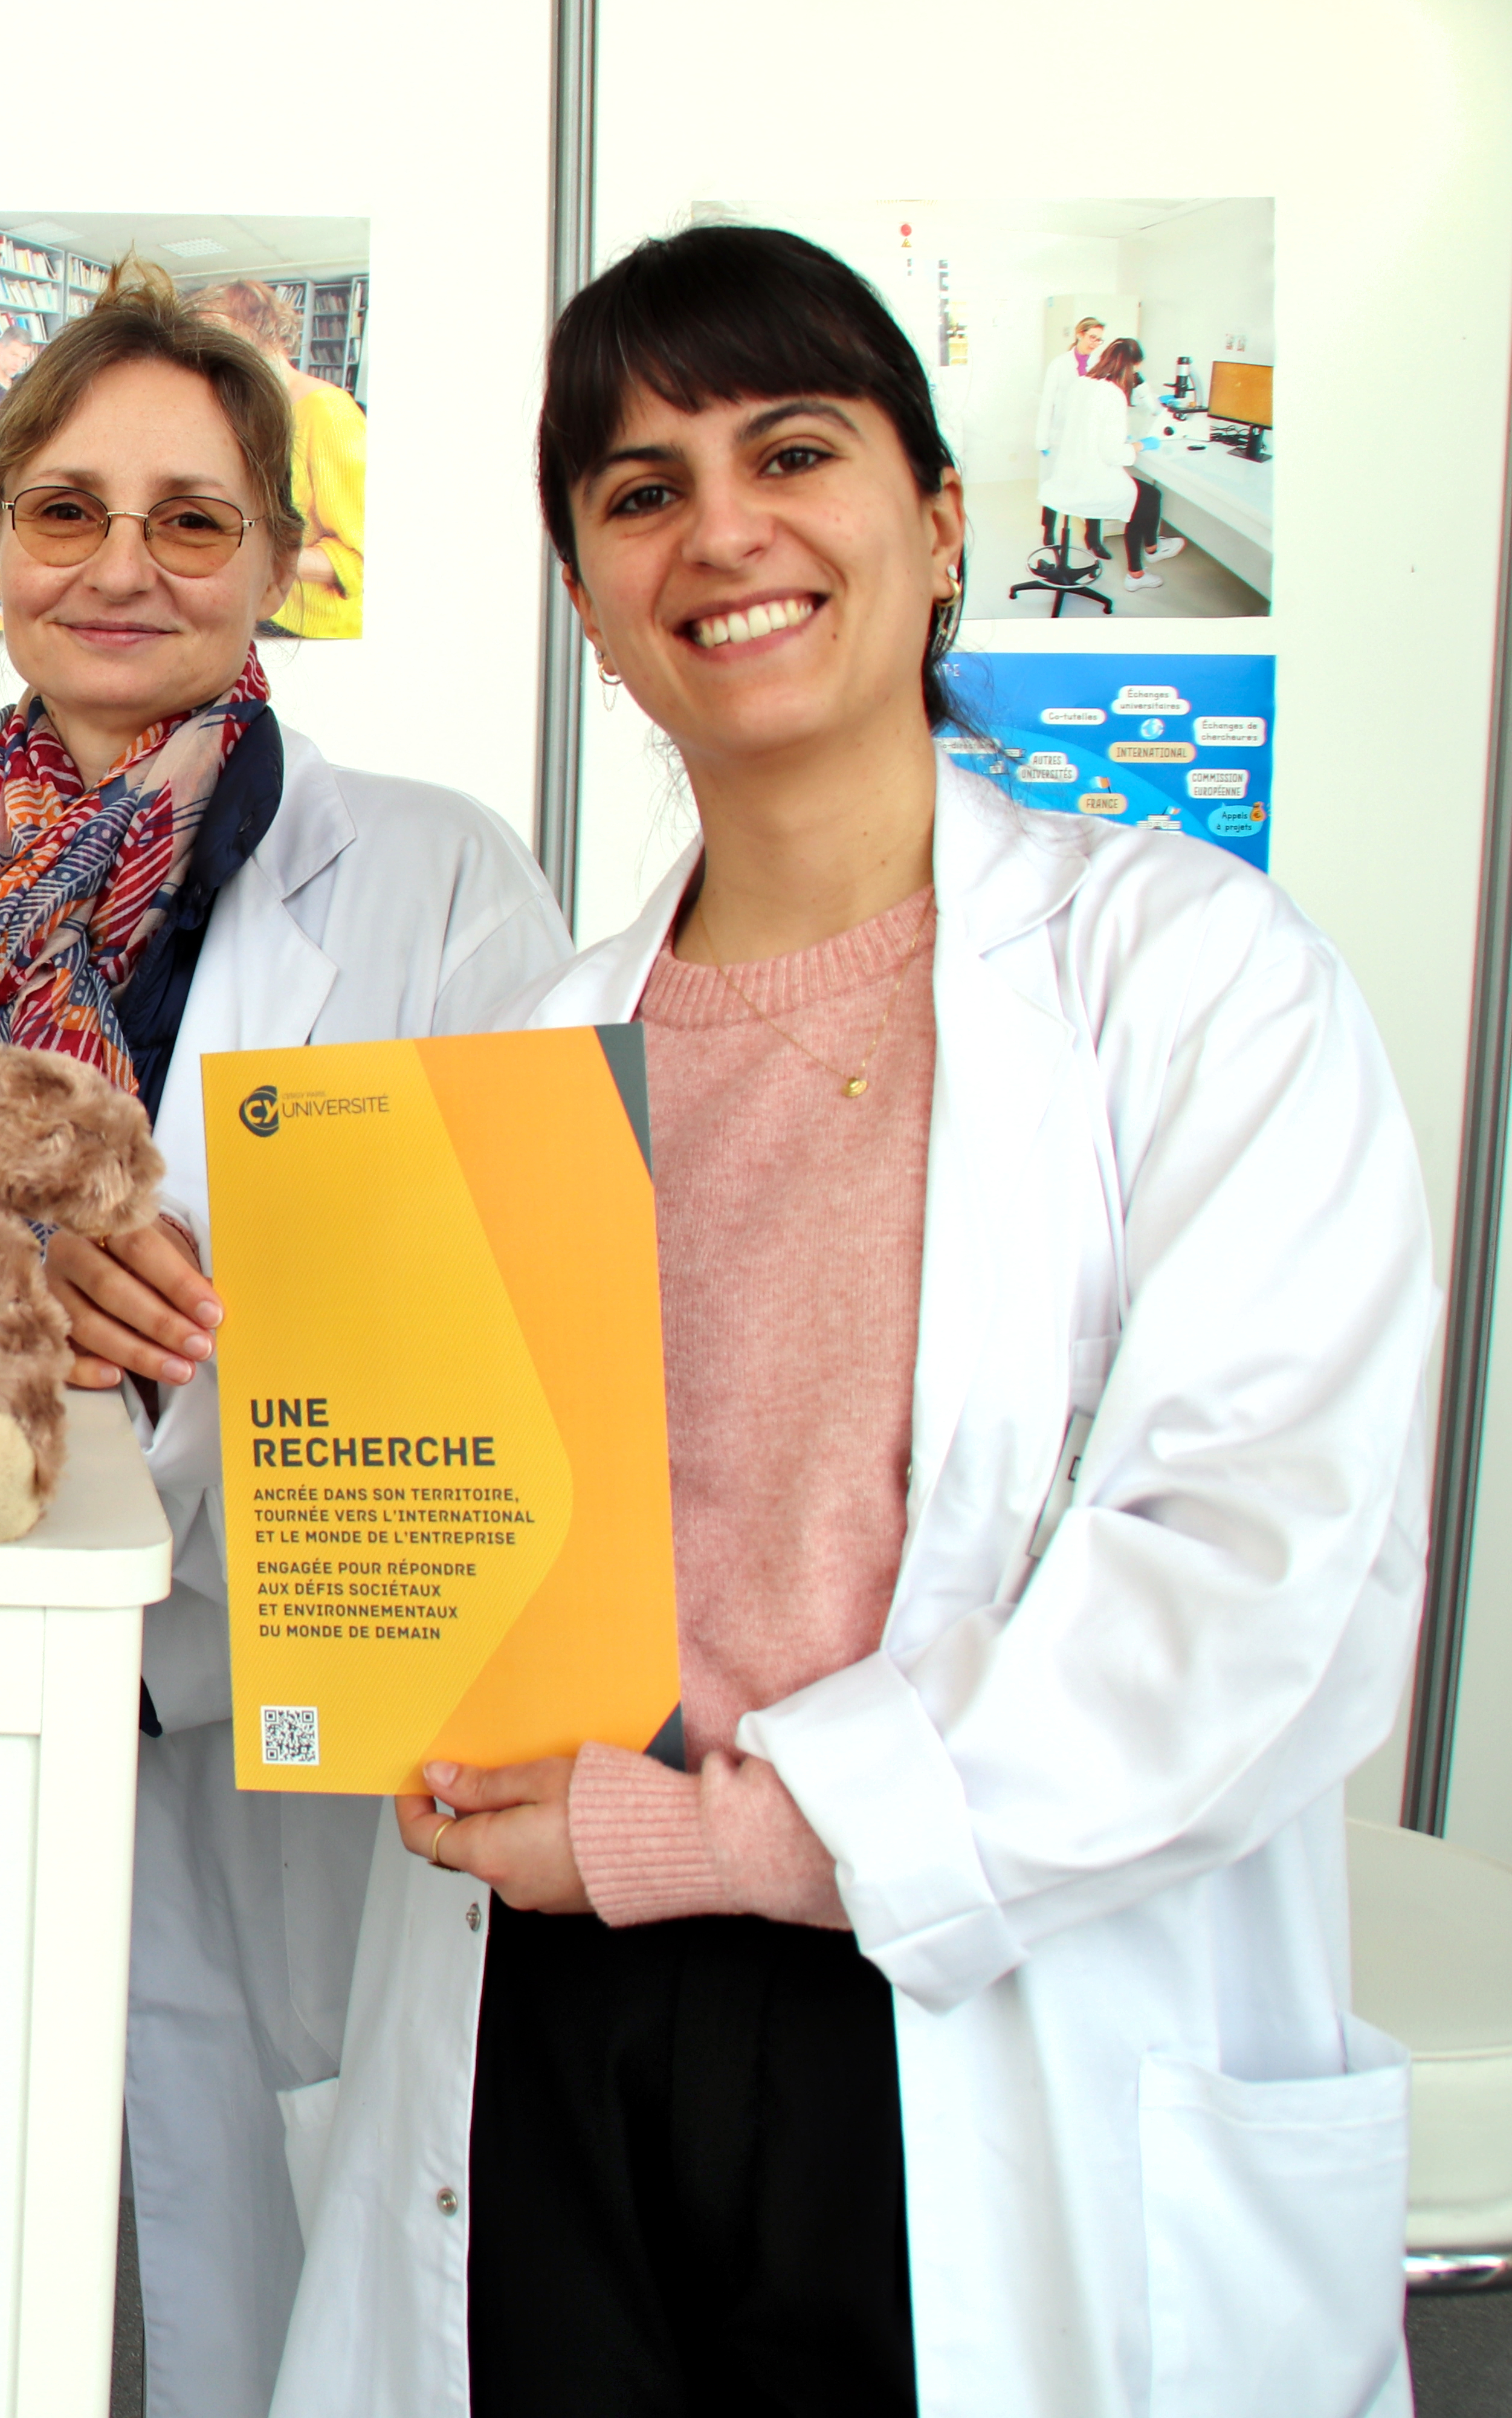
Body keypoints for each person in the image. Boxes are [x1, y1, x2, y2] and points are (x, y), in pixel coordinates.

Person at [280, 222, 1426, 2418]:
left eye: (786, 446)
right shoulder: (530, 1046)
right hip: (549, 2016)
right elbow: (453, 1555)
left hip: (961, 1999)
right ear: (593, 608)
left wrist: (717, 1834)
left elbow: (1257, 1580)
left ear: (935, 517)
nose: (720, 528)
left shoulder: (1185, 977)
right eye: (634, 490)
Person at [0, 258, 566, 2418]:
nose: (122, 566)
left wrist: (206, 1310)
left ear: (282, 557)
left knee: (258, 2281)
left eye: (194, 516)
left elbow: (514, 1322)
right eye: (66, 508)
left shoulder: (442, 884)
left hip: (272, 1717)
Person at [190, 280, 366, 641]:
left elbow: (363, 559)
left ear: (261, 328)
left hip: (314, 631)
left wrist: (254, 552)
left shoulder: (331, 414)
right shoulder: (256, 411)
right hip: (263, 611)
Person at [1045, 336, 1189, 594]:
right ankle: (1142, 565)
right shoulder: (1113, 395)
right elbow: (1114, 455)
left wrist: (1121, 439)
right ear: (1131, 366)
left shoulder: (1083, 383)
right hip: (1092, 480)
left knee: (1143, 496)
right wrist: (1139, 445)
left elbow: (1087, 427)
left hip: (1068, 475)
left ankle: (1153, 549)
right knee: (1148, 497)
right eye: (1136, 370)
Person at [1035, 313, 1107, 546]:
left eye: (1100, 340)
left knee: (1092, 484)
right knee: (1055, 483)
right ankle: (1049, 532)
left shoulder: (1099, 365)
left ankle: (1094, 539)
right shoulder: (1059, 364)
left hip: (1088, 435)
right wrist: (1043, 440)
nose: (1096, 343)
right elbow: (1047, 403)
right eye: (1092, 337)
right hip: (1060, 435)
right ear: (1080, 335)